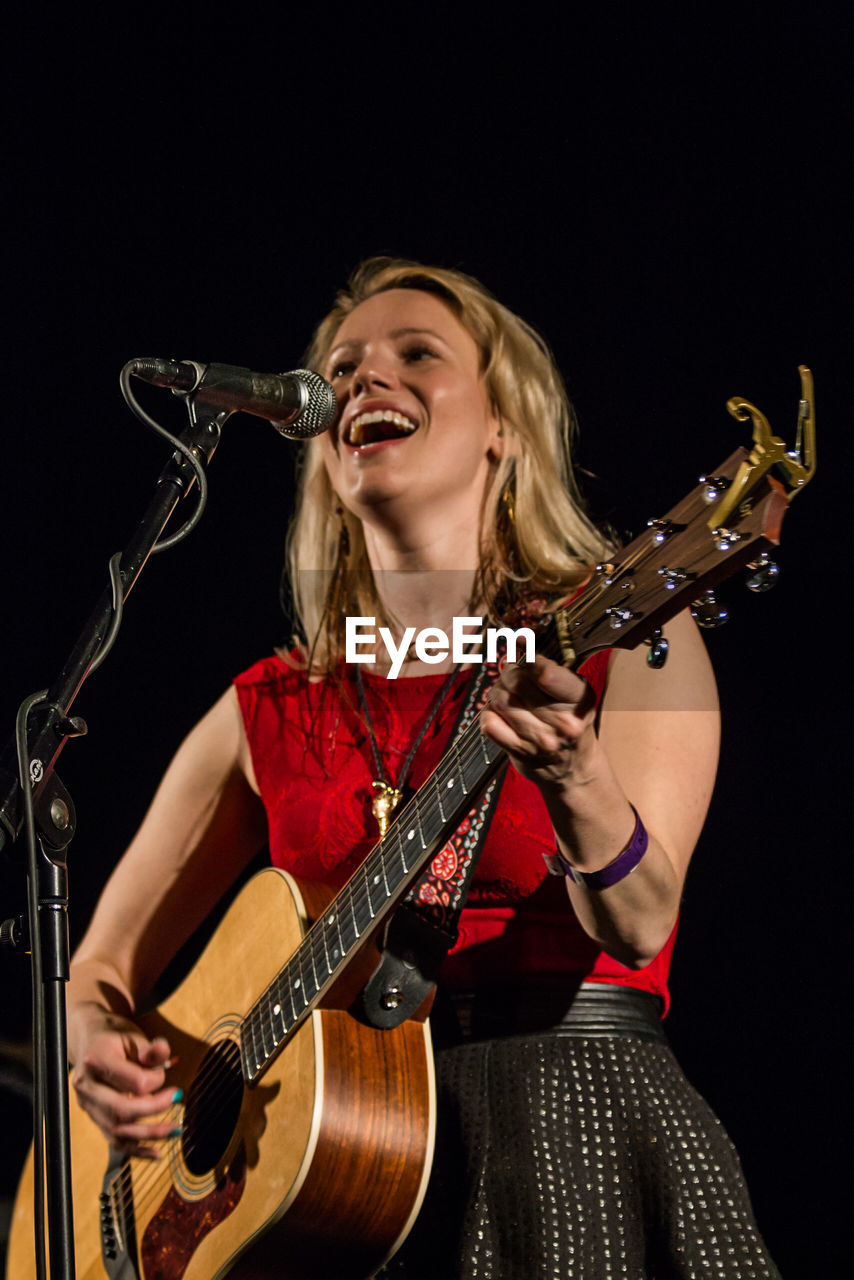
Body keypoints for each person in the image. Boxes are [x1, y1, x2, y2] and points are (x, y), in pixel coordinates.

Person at [66, 258, 780, 1277]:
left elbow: (639, 920)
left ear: (503, 425)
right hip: (325, 1178)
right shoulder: (264, 703)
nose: (364, 380)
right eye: (342, 367)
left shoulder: (625, 638)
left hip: (566, 1116)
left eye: (416, 355)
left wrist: (575, 775)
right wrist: (93, 1036)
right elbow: (96, 968)